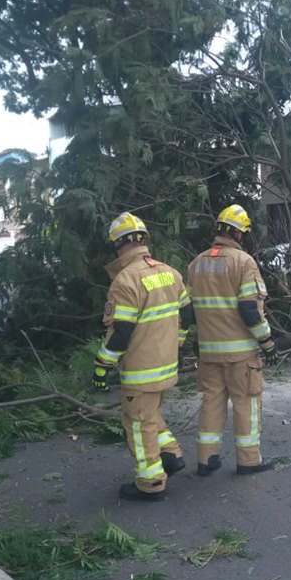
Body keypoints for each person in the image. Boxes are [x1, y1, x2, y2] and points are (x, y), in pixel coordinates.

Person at [91, 212, 192, 502]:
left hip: (140, 370)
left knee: (137, 423)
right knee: (150, 416)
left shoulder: (125, 281)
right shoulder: (169, 272)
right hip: (166, 366)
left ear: (118, 245)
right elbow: (187, 315)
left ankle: (150, 483)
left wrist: (101, 367)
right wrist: (177, 345)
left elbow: (120, 333)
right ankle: (171, 456)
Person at [187, 204, 278, 477]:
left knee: (211, 402)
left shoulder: (196, 263)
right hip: (241, 355)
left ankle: (206, 459)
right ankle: (249, 460)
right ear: (240, 235)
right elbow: (250, 310)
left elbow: (188, 311)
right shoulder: (244, 262)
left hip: (208, 353)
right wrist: (267, 343)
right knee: (246, 402)